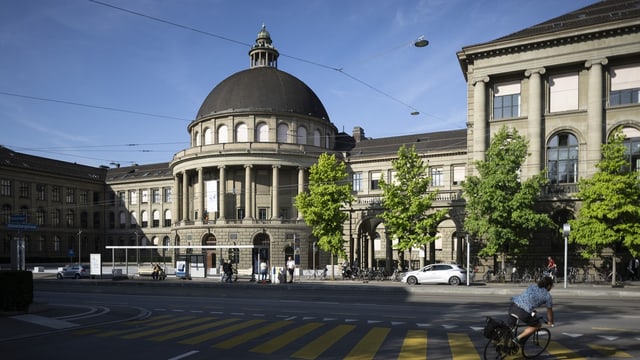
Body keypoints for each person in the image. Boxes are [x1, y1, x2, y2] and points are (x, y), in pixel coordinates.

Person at [508, 276, 555, 346]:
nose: (551, 288)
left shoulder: (533, 286)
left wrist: (532, 310)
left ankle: (502, 341)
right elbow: (549, 312)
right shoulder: (547, 296)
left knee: (510, 328)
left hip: (513, 306)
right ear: (548, 286)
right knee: (537, 325)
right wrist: (550, 322)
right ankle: (518, 338)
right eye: (551, 286)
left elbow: (527, 299)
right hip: (523, 312)